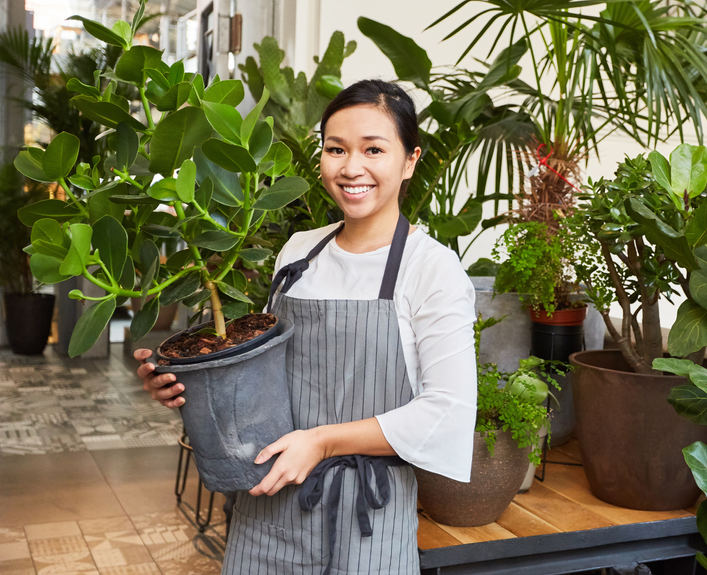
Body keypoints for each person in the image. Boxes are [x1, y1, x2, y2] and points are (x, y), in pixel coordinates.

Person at [134, 79, 477, 574]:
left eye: (373, 149)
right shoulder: (298, 252)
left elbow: (448, 412)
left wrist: (322, 442)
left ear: (409, 161)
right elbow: (257, 377)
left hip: (367, 520)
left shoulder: (431, 270)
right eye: (336, 149)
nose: (351, 167)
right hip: (267, 505)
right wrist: (188, 383)